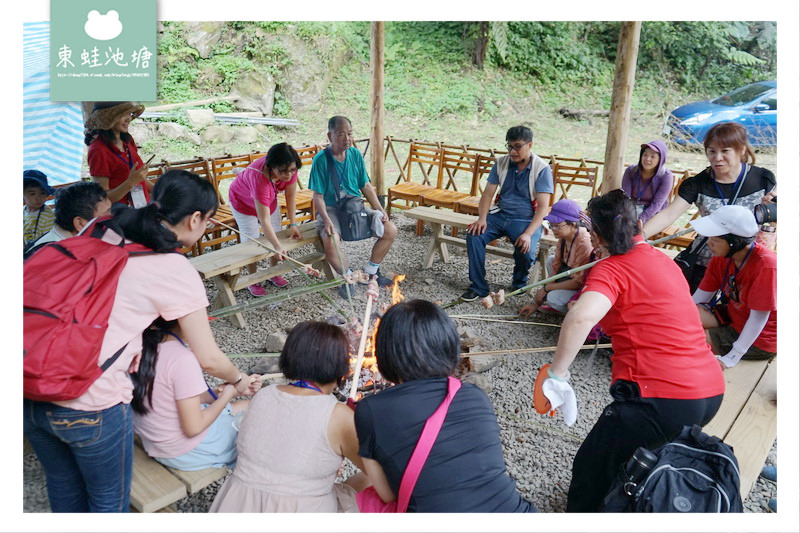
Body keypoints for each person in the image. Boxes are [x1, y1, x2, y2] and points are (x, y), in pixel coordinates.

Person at [23, 169, 258, 512]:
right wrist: (236, 380)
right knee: (107, 502)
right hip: (90, 399)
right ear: (195, 219)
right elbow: (208, 358)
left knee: (64, 486)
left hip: (30, 381)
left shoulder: (104, 224)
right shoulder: (173, 269)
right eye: (207, 220)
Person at [542, 190, 724, 513]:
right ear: (640, 224)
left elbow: (581, 316)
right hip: (710, 391)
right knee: (634, 452)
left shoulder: (610, 268)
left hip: (664, 399)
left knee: (591, 465)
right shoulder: (665, 261)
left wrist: (557, 373)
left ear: (595, 237)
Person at [354, 299, 536, 512]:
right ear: (449, 346)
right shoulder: (475, 395)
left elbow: (387, 494)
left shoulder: (370, 410)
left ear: (385, 352)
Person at [210, 321, 369, 513]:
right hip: (298, 510)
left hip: (238, 504)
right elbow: (379, 473)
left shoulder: (263, 395)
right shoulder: (339, 415)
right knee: (370, 480)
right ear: (340, 367)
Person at [642, 122, 776, 292]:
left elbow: (774, 217)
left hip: (746, 266)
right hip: (705, 263)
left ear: (741, 150)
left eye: (725, 151)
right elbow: (669, 214)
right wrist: (641, 235)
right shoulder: (698, 183)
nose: (717, 157)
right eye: (712, 151)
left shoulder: (763, 179)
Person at [131, 317, 261, 471]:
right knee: (261, 417)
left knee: (246, 405)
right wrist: (227, 394)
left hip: (158, 443)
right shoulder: (181, 359)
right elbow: (193, 427)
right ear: (185, 322)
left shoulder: (142, 346)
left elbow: (179, 396)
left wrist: (229, 392)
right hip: (188, 451)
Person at [461, 126, 553, 302]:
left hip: (527, 218)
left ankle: (519, 284)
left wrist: (527, 234)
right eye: (509, 146)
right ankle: (478, 286)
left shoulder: (541, 169)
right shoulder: (501, 162)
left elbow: (542, 208)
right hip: (500, 214)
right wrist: (482, 218)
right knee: (474, 235)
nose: (512, 151)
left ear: (530, 144)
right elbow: (487, 194)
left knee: (525, 249)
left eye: (517, 146)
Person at [309, 116, 397, 298]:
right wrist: (325, 220)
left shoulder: (355, 155)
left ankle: (371, 273)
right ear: (329, 136)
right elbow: (317, 196)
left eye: (349, 134)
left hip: (355, 206)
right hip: (331, 208)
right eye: (341, 134)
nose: (347, 138)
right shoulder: (321, 160)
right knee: (331, 238)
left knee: (390, 230)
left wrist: (380, 210)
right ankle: (347, 278)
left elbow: (365, 185)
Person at [690, 205, 776, 368]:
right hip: (733, 316)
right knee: (676, 323)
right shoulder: (721, 257)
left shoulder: (766, 266)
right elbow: (699, 298)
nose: (709, 244)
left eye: (715, 239)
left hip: (760, 338)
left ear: (734, 242)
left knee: (685, 339)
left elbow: (759, 318)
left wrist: (733, 356)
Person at [228, 142, 303, 296]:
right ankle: (253, 278)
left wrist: (293, 223)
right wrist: (276, 246)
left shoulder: (289, 167)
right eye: (283, 171)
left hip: (269, 199)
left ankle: (273, 272)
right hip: (241, 201)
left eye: (292, 170)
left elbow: (290, 197)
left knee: (278, 233)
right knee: (252, 240)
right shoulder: (259, 177)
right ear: (271, 167)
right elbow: (264, 220)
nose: (288, 175)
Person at [519, 199, 593, 316]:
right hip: (570, 275)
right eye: (551, 225)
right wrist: (536, 303)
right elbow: (556, 266)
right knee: (551, 260)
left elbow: (578, 282)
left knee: (553, 298)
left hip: (582, 287)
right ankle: (555, 301)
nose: (553, 229)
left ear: (572, 224)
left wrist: (548, 288)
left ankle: (572, 311)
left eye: (557, 226)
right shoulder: (563, 237)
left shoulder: (584, 243)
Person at [85, 101, 151, 207]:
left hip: (141, 209)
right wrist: (130, 183)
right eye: (123, 115)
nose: (128, 118)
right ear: (108, 118)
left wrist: (160, 188)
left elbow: (139, 180)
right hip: (121, 216)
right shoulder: (98, 150)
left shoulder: (127, 141)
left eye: (129, 114)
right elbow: (102, 198)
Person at [27, 181, 111, 249]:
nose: (112, 218)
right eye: (106, 213)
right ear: (80, 223)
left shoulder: (67, 242)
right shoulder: (55, 256)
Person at [620, 140, 673, 223]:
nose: (647, 159)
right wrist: (629, 216)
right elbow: (625, 197)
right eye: (645, 155)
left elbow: (657, 204)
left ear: (661, 159)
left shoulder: (666, 176)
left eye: (653, 156)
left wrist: (642, 218)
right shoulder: (631, 171)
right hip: (631, 209)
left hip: (654, 213)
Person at [23, 169, 56, 247]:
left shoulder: (48, 216)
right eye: (32, 194)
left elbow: (46, 243)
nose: (38, 198)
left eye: (42, 193)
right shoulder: (23, 211)